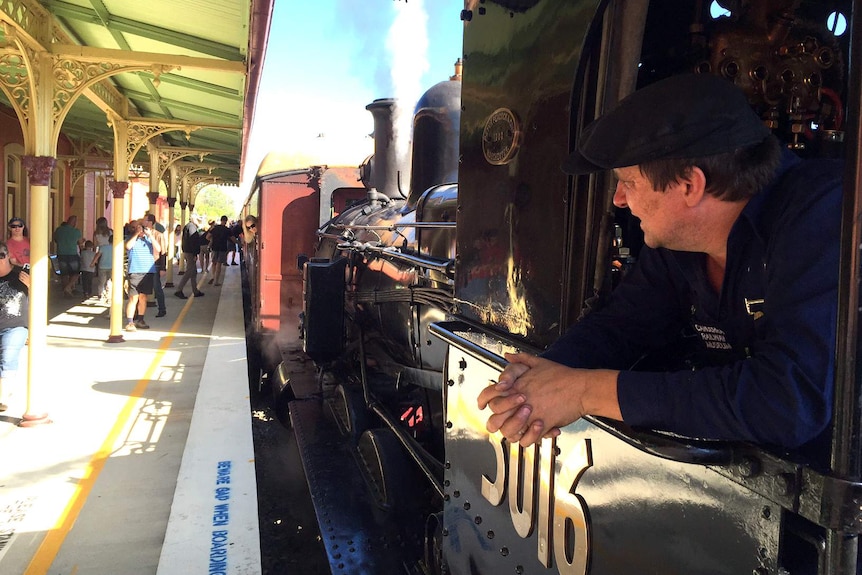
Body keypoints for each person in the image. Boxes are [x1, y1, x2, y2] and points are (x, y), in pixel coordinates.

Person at [477, 74, 842, 465]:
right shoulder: (681, 241)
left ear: (689, 186)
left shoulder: (822, 214)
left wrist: (585, 391)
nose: (618, 200)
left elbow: (787, 403)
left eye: (628, 182)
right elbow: (624, 324)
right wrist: (536, 383)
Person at [0, 241, 30, 412]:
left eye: (1, 255)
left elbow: (41, 298)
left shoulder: (21, 275)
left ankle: (2, 397)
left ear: (8, 257)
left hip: (15, 327)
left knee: (8, 357)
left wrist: (32, 285)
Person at [124, 218, 161, 331]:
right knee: (133, 298)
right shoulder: (130, 239)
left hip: (148, 271)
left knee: (143, 297)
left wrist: (150, 236)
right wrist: (136, 234)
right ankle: (130, 322)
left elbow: (158, 249)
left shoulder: (149, 239)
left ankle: (141, 319)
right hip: (135, 271)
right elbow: (128, 246)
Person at [174, 215, 205, 299]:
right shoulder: (192, 227)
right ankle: (179, 290)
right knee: (189, 271)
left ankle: (195, 291)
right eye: (198, 219)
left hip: (188, 251)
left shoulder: (188, 226)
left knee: (193, 272)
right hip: (190, 252)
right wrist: (195, 254)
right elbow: (192, 241)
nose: (200, 221)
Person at [54, 215, 83, 297]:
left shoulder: (59, 230)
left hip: (61, 254)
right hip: (72, 254)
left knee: (64, 274)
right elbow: (80, 243)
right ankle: (68, 287)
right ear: (74, 222)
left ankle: (67, 291)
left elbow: (55, 239)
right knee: (76, 273)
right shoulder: (76, 231)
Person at [145, 213, 168, 317]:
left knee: (157, 287)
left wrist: (163, 268)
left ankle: (162, 309)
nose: (143, 222)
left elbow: (163, 251)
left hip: (155, 264)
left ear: (150, 222)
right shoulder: (141, 234)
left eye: (145, 220)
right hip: (143, 264)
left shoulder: (158, 235)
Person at [206, 215, 231, 286]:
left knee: (214, 263)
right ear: (226, 221)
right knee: (219, 264)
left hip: (214, 248)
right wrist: (239, 243)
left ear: (221, 220)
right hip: (222, 248)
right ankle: (216, 281)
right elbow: (232, 238)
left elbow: (207, 237)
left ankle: (213, 277)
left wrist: (212, 240)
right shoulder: (227, 229)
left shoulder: (215, 228)